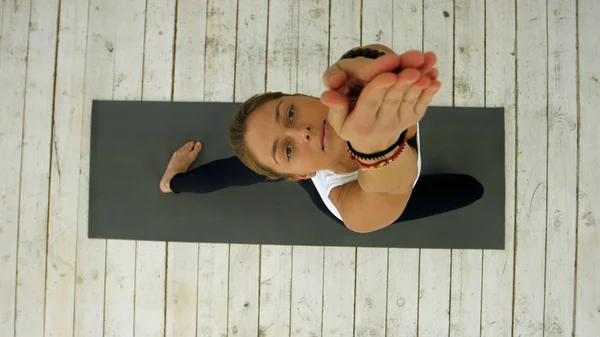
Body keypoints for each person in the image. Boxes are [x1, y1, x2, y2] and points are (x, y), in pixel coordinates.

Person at [159, 44, 483, 233]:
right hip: (349, 178)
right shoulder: (346, 205)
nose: (302, 131)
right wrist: (375, 149)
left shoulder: (349, 89)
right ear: (300, 175)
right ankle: (172, 182)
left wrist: (370, 62)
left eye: (289, 114)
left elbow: (380, 56)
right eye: (287, 148)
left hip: (323, 155)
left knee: (248, 164)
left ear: (305, 96)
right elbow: (386, 188)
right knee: (469, 190)